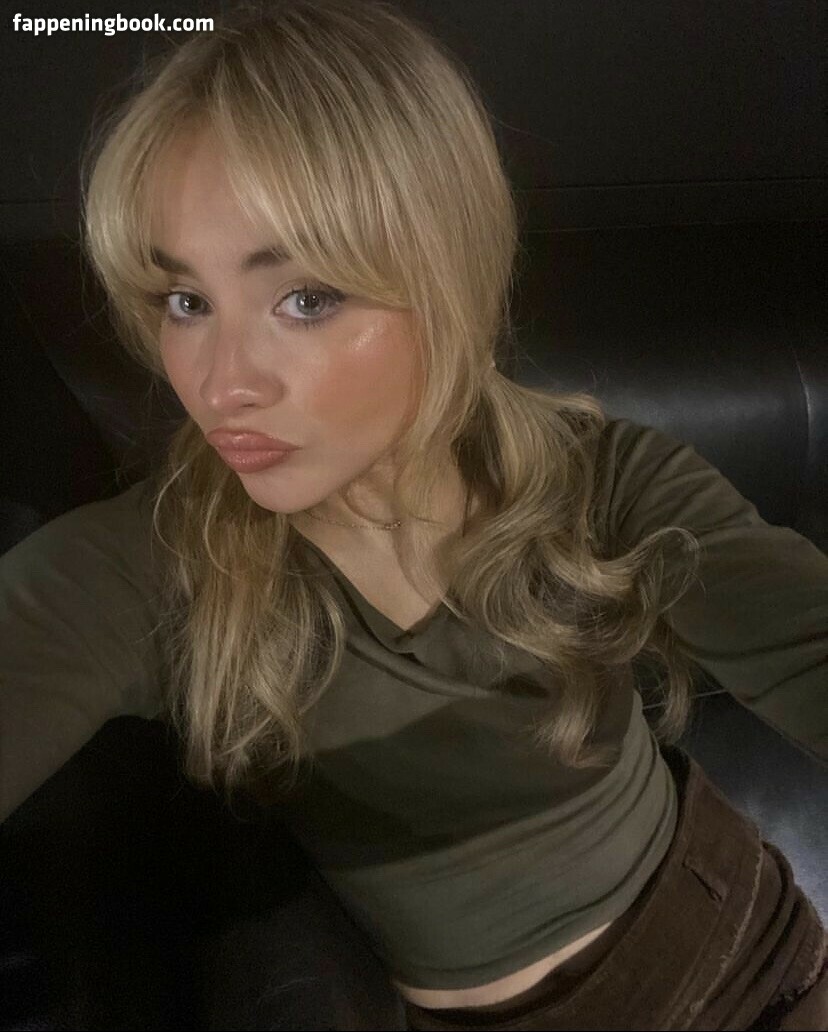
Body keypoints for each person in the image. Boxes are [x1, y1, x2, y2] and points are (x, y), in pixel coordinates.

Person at [1, 0, 826, 1028]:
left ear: (443, 281)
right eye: (187, 302)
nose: (221, 385)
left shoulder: (602, 482)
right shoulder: (154, 567)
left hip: (753, 952)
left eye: (305, 298)